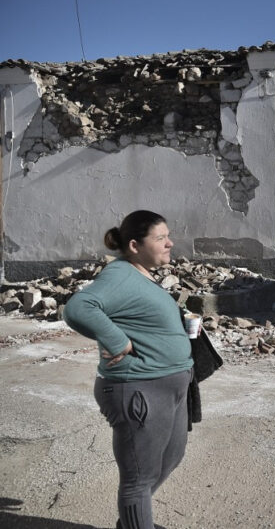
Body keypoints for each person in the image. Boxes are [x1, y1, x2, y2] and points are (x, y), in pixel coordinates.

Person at [63, 210, 193, 529]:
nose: (169, 243)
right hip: (138, 387)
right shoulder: (120, 274)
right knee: (138, 478)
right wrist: (116, 340)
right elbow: (78, 307)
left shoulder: (141, 275)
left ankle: (134, 523)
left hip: (169, 386)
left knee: (169, 458)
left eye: (168, 236)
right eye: (160, 238)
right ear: (134, 245)